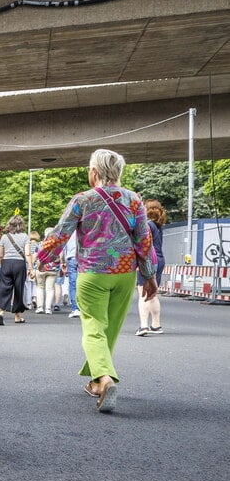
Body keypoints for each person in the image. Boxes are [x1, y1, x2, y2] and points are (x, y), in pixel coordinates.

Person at [38, 148, 157, 413]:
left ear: (94, 173)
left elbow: (60, 233)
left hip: (92, 274)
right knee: (110, 329)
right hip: (125, 274)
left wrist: (41, 259)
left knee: (93, 327)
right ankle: (95, 382)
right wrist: (149, 275)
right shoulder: (135, 200)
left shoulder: (83, 199)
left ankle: (105, 379)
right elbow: (143, 240)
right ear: (119, 173)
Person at [136, 199, 167, 336]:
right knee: (153, 293)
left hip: (149, 260)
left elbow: (144, 245)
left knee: (143, 293)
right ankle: (156, 325)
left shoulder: (147, 225)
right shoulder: (158, 225)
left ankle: (143, 326)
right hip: (160, 259)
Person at [0, 215, 30, 326]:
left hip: (6, 263)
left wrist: (2, 265)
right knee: (19, 289)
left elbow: (0, 255)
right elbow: (27, 253)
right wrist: (31, 268)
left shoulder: (4, 237)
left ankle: (1, 313)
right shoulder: (25, 236)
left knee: (4, 288)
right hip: (19, 264)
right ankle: (17, 316)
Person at [32, 227, 60, 314]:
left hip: (40, 268)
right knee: (50, 289)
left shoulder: (40, 244)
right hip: (53, 269)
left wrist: (32, 267)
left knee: (40, 287)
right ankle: (48, 308)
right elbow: (61, 257)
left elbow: (35, 256)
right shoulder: (57, 244)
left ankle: (40, 307)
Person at [63, 231, 81, 318]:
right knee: (85, 283)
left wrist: (63, 263)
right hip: (84, 259)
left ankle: (75, 309)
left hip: (72, 258)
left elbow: (63, 248)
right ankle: (84, 308)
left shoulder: (69, 231)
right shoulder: (87, 228)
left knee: (73, 284)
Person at [24, 231, 40, 310]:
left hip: (27, 266)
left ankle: (28, 303)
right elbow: (36, 256)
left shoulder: (27, 245)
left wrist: (29, 267)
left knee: (27, 285)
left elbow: (27, 255)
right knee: (35, 284)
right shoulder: (38, 246)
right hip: (36, 267)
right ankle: (34, 297)